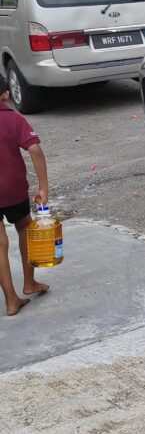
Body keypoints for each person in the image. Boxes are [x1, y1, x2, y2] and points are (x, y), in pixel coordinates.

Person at [0, 78, 50, 317]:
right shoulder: (13, 119)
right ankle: (29, 283)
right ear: (6, 95)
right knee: (25, 228)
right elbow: (35, 149)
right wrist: (43, 187)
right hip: (13, 189)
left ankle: (11, 301)